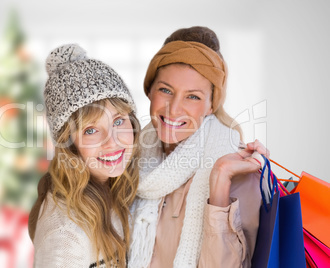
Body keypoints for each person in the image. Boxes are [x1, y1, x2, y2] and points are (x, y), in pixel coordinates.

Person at [128, 26, 268, 267]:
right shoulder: (125, 157)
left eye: (192, 96)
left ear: (211, 105)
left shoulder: (240, 172)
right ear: (149, 90)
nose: (174, 108)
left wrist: (220, 181)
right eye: (165, 90)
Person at [28, 44, 140, 268]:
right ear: (69, 145)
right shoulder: (64, 235)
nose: (113, 141)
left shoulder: (119, 190)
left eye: (118, 121)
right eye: (90, 130)